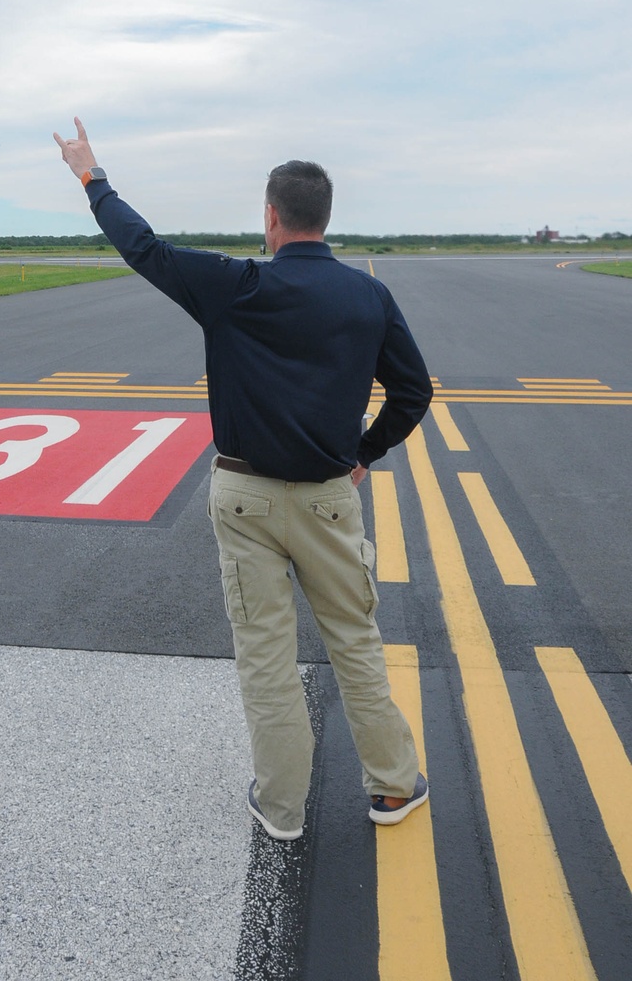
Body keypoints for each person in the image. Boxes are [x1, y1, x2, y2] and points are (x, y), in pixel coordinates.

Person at [53, 118, 433, 840]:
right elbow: (413, 393)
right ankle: (391, 786)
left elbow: (144, 247)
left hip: (244, 494)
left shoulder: (236, 285)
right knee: (354, 640)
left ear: (270, 216)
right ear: (325, 218)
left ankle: (283, 807)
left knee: (266, 653)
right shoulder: (368, 297)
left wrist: (91, 176)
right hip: (327, 498)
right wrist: (364, 453)